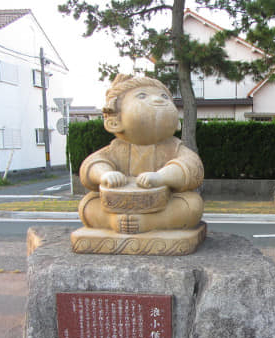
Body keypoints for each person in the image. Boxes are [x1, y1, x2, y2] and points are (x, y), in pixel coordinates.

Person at [77, 74, 204, 234]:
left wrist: (162, 177)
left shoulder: (173, 147)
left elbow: (192, 167)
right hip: (117, 205)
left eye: (164, 96)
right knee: (88, 203)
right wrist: (105, 174)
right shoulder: (116, 149)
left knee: (192, 205)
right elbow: (92, 165)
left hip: (163, 204)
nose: (159, 100)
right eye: (142, 96)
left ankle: (150, 222)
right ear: (115, 120)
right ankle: (113, 221)